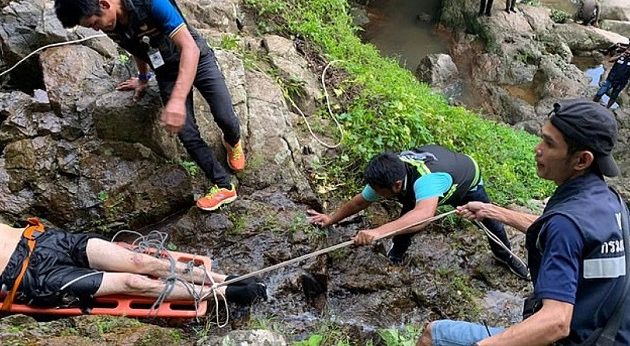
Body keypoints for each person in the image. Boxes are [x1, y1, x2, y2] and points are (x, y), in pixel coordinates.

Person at [419, 99, 629, 345]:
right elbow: (561, 233)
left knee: (434, 335)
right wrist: (492, 211)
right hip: (610, 335)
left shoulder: (567, 223)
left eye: (549, 143)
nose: (537, 149)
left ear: (581, 160)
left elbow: (556, 321)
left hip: (570, 338)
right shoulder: (610, 202)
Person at [54, 0, 245, 211]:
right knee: (186, 133)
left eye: (95, 23)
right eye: (91, 28)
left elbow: (189, 48)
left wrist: (178, 101)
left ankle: (232, 141)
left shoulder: (152, 3)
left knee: (224, 116)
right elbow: (136, 47)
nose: (97, 28)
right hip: (165, 72)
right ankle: (223, 185)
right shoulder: (111, 24)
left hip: (197, 59)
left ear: (104, 3)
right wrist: (143, 77)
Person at [307, 145, 529, 279]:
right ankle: (397, 253)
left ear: (395, 186)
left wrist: (378, 232)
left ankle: (505, 256)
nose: (374, 194)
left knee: (492, 224)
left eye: (378, 191)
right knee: (404, 223)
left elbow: (423, 216)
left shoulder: (426, 181)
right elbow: (359, 202)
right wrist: (330, 219)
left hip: (465, 184)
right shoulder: (389, 174)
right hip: (429, 187)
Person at [0, 219, 267, 310]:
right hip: (32, 276)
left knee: (140, 261)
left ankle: (221, 278)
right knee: (132, 282)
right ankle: (223, 293)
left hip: (43, 240)